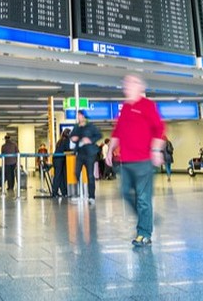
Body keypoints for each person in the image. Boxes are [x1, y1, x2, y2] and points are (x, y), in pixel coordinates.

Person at [112, 74, 166, 247]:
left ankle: (144, 233)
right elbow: (118, 132)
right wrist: (109, 151)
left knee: (143, 198)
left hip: (143, 160)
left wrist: (156, 150)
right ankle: (147, 216)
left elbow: (159, 129)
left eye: (131, 83)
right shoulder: (126, 108)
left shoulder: (147, 105)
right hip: (126, 160)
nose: (126, 86)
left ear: (140, 87)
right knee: (125, 192)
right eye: (125, 83)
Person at [70, 111, 102, 203]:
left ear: (83, 116)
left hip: (89, 154)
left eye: (79, 115)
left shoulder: (91, 126)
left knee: (90, 175)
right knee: (76, 172)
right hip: (80, 153)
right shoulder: (76, 127)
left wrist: (90, 140)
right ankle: (78, 194)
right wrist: (73, 138)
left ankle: (91, 196)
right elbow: (71, 136)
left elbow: (99, 135)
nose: (78, 117)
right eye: (77, 115)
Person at [51, 129, 71, 198]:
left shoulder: (60, 140)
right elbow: (67, 149)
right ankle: (55, 193)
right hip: (60, 159)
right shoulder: (66, 140)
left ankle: (62, 192)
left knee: (60, 176)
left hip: (56, 159)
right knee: (58, 176)